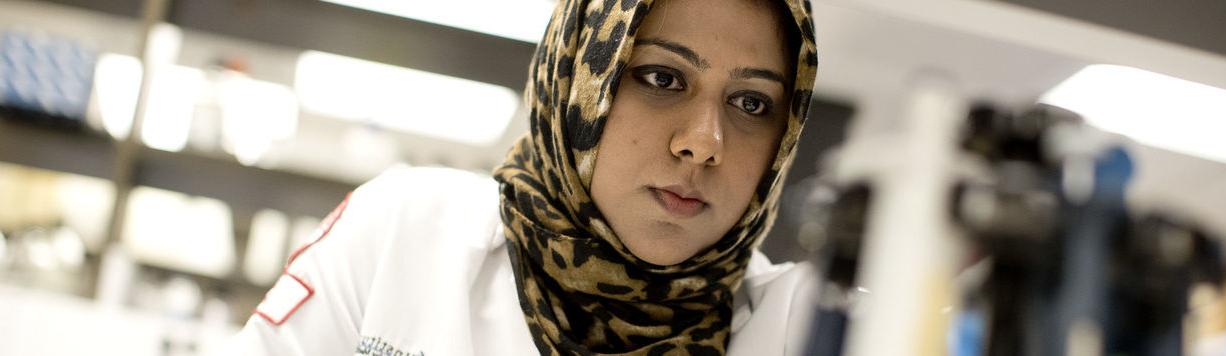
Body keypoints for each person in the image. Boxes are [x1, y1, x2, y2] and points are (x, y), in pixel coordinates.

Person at [227, 0, 820, 354]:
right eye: (662, 79)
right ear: (576, 85)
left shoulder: (803, 330)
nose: (704, 144)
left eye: (751, 104)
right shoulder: (406, 232)